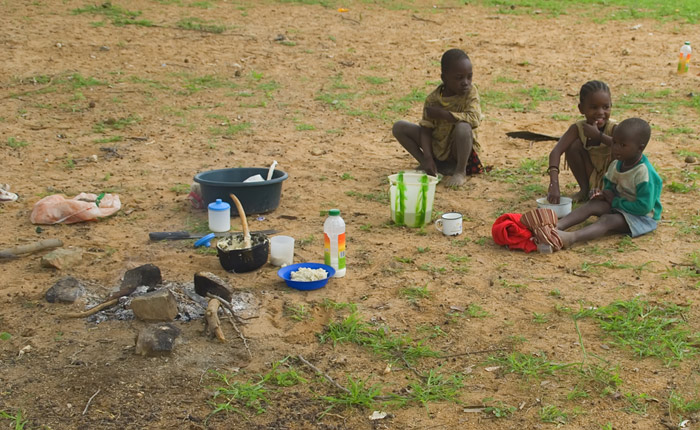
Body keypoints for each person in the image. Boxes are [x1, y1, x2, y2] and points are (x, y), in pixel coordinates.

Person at [555, 118, 662, 248]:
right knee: (592, 205)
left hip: (641, 217)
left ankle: (571, 238)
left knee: (608, 220)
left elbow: (643, 207)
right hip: (620, 206)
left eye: (623, 145)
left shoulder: (643, 173)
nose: (616, 148)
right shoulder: (617, 164)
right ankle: (556, 227)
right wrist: (603, 194)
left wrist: (614, 202)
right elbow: (610, 187)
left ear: (640, 148)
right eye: (615, 142)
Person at [392, 48, 483, 187]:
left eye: (469, 76)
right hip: (438, 148)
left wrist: (444, 115)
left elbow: (474, 118)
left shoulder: (470, 93)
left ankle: (459, 171)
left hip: (458, 150)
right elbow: (426, 130)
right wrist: (427, 157)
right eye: (459, 78)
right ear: (444, 78)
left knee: (463, 127)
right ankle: (428, 165)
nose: (465, 82)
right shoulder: (433, 100)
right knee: (399, 127)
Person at [547, 80, 616, 203]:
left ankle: (607, 195)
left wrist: (599, 136)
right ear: (581, 109)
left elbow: (624, 146)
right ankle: (585, 190)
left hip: (613, 182)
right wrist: (554, 184)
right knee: (573, 145)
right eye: (594, 107)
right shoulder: (578, 128)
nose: (600, 112)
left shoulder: (614, 129)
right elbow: (556, 152)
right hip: (592, 177)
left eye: (606, 107)